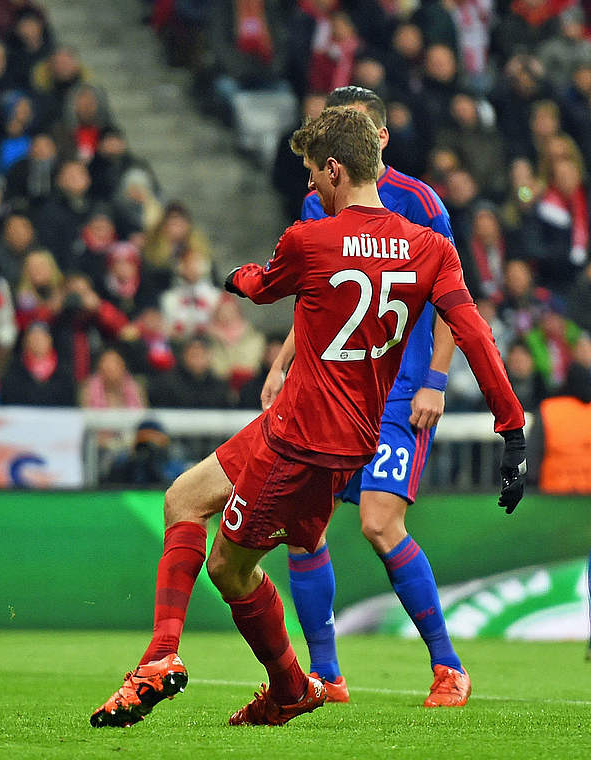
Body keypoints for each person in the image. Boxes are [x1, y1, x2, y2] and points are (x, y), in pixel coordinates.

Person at [90, 106, 527, 729]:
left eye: (314, 175)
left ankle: (262, 679)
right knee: (184, 497)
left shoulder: (311, 239)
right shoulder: (431, 249)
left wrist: (234, 278)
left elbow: (265, 286)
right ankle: (219, 667)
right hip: (350, 435)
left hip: (300, 437)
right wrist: (511, 432)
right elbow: (476, 337)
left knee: (227, 568)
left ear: (335, 169)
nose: (312, 188)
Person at [263, 86, 470, 707]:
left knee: (380, 523)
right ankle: (327, 673)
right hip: (328, 390)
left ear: (380, 137)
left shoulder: (421, 203)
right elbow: (314, 297)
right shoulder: (313, 202)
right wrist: (280, 368)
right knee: (304, 530)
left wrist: (435, 381)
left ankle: (448, 666)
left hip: (397, 393)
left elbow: (452, 301)